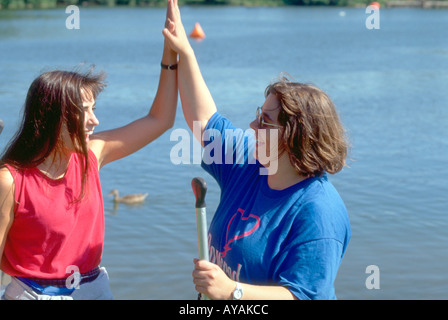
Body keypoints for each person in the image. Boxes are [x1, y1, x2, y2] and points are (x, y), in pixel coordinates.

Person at [162, 0, 351, 300]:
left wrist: (232, 292)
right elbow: (203, 120)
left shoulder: (319, 212)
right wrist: (184, 50)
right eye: (257, 114)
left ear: (295, 137)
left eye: (265, 121)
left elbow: (303, 295)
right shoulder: (248, 163)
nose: (252, 125)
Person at [0, 10, 178, 300]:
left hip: (93, 289)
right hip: (33, 294)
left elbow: (161, 120)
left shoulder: (91, 155)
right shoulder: (10, 180)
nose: (95, 121)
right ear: (52, 117)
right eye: (84, 111)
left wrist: (171, 53)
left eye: (94, 110)